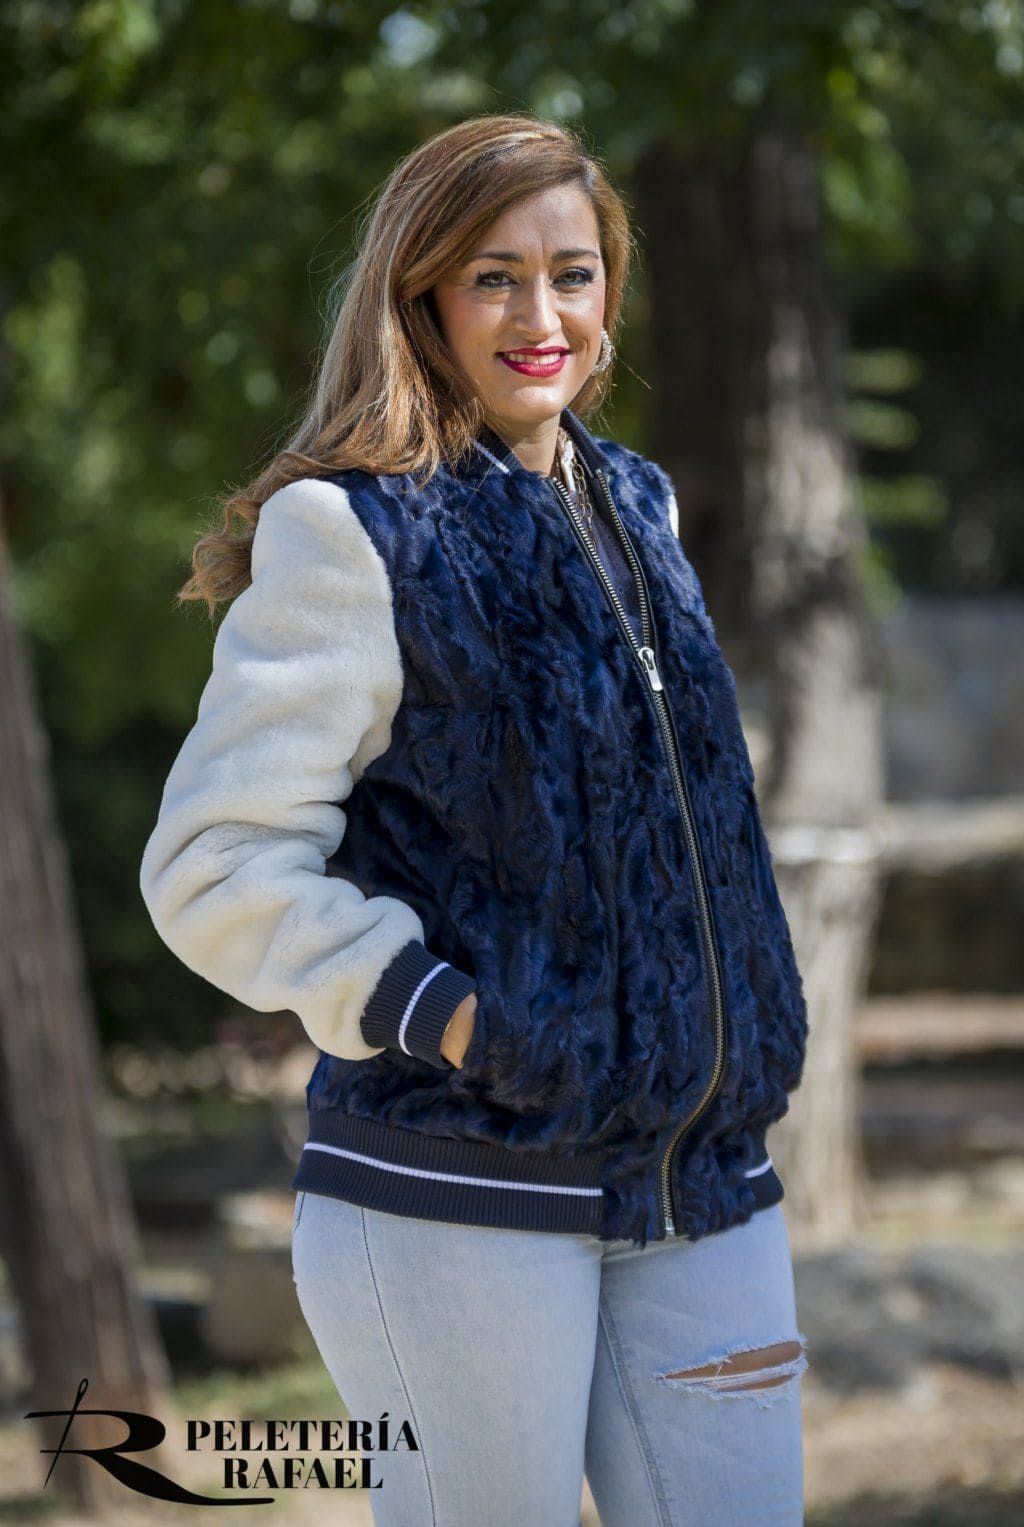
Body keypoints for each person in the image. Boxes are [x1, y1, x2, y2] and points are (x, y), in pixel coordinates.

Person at [140, 111, 811, 1526]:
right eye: (494, 275)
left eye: (572, 271)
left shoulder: (641, 507)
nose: (540, 313)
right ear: (423, 297)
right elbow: (213, 865)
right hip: (457, 1197)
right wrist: (451, 1015)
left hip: (704, 1183)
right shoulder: (355, 532)